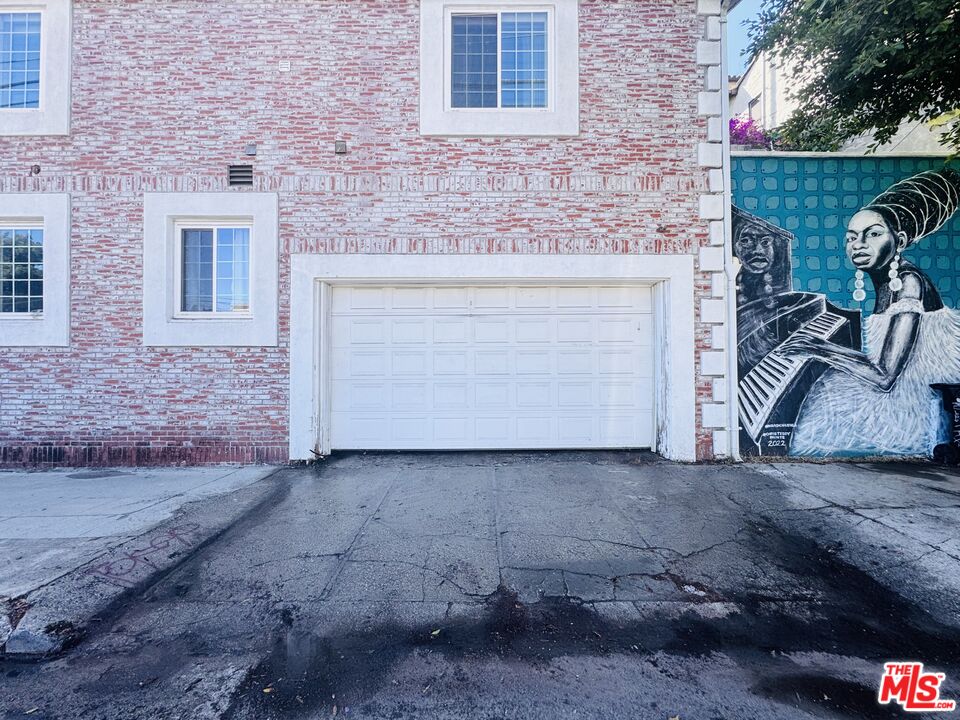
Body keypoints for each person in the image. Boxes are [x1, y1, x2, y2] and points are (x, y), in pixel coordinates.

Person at [783, 169, 960, 456]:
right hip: (898, 387)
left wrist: (820, 348)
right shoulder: (890, 280)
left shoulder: (908, 284)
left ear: (899, 241)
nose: (859, 245)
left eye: (873, 234)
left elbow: (885, 377)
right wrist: (822, 348)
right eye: (852, 238)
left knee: (818, 411)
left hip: (910, 405)